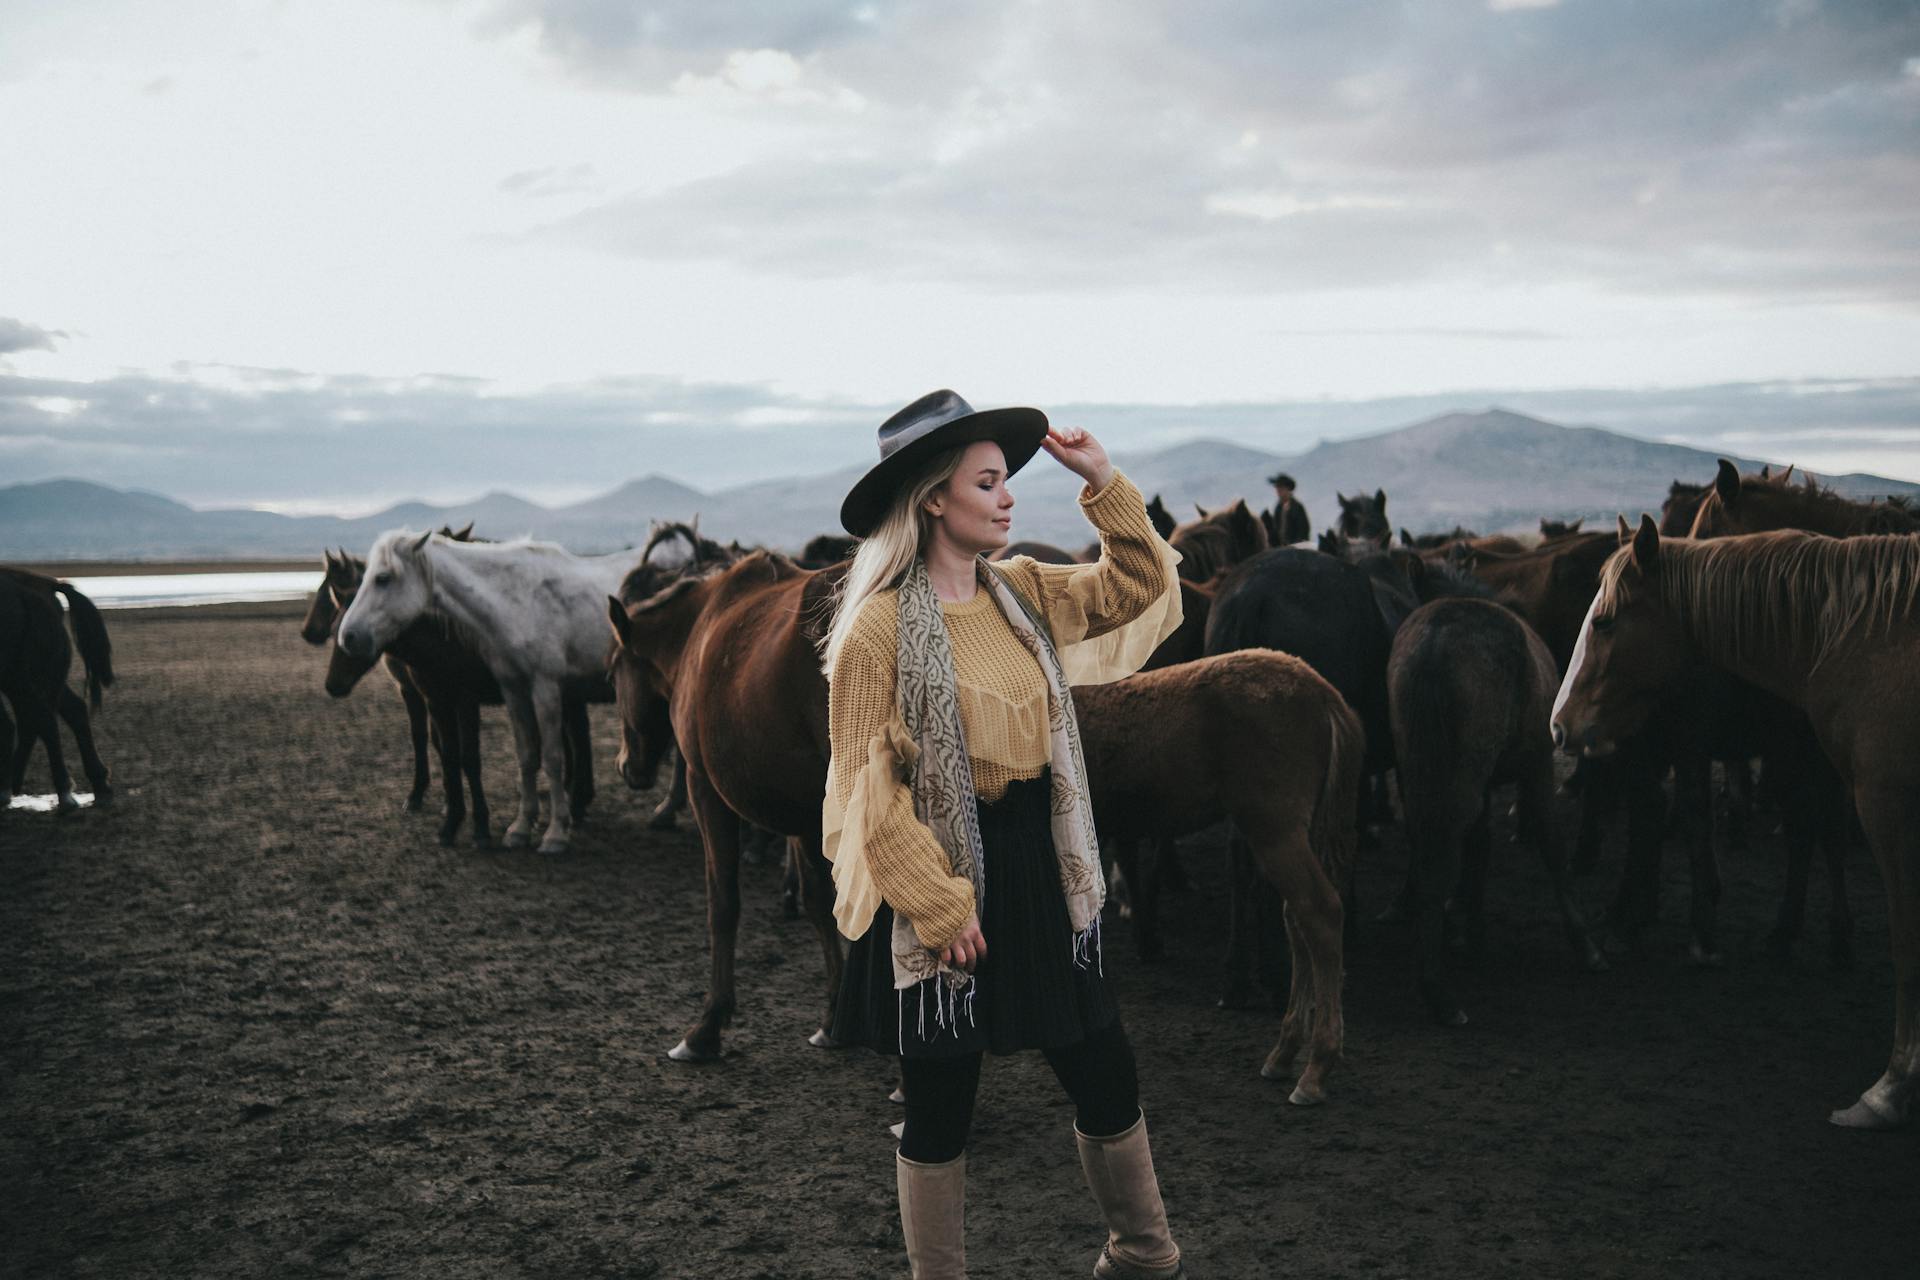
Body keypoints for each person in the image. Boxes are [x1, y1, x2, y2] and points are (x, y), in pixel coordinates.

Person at [818, 389, 1188, 1279]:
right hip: (943, 883)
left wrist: (1103, 483)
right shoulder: (878, 631)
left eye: (1007, 478)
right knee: (942, 1106)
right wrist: (941, 907)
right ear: (934, 500)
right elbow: (870, 790)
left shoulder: (1020, 591)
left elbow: (1136, 585)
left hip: (1044, 867)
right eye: (988, 482)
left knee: (1104, 1066)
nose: (1008, 496)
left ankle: (1143, 1255)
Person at [1265, 471, 1311, 547]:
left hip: (1296, 547)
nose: (1278, 491)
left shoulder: (1297, 507)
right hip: (1280, 548)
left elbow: (1303, 530)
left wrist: (1295, 545)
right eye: (1277, 488)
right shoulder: (1278, 508)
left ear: (1288, 489)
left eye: (1281, 488)